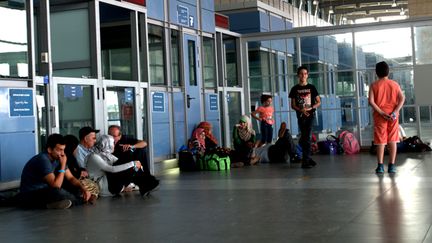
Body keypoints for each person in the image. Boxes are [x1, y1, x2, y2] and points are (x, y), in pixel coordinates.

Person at [16, 134, 91, 209]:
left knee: (77, 188)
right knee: (58, 192)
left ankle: (52, 205)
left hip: (45, 191)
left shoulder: (58, 158)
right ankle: (79, 201)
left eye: (63, 150)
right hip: (31, 194)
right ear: (50, 150)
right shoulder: (43, 159)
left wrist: (83, 188)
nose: (62, 153)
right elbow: (56, 186)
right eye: (59, 150)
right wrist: (63, 165)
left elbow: (71, 178)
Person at [86, 135, 157, 197]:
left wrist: (136, 163)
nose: (114, 144)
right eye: (113, 143)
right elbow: (111, 169)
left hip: (110, 183)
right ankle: (147, 184)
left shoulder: (106, 155)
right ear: (107, 144)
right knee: (130, 164)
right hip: (103, 187)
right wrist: (133, 163)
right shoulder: (94, 156)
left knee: (129, 160)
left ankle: (146, 184)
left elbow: (121, 163)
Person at [369, 61, 405, 174]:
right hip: (393, 117)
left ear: (376, 72)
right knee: (393, 140)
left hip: (380, 117)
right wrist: (395, 112)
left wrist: (381, 113)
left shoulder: (374, 85)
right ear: (388, 72)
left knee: (380, 141)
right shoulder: (395, 84)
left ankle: (380, 166)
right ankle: (391, 165)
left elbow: (371, 101)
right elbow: (402, 99)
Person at [108, 125, 159, 191]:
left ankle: (146, 177)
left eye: (114, 136)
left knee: (141, 150)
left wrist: (132, 146)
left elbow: (144, 143)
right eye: (109, 135)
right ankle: (146, 181)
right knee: (134, 163)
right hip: (115, 169)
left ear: (120, 136)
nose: (111, 138)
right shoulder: (105, 142)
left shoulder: (125, 139)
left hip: (127, 166)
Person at [289, 65, 321, 169]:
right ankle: (307, 158)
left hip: (310, 115)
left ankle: (305, 161)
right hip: (300, 116)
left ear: (307, 75)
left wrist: (310, 108)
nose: (303, 75)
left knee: (306, 137)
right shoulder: (295, 88)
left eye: (305, 74)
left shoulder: (312, 87)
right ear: (298, 75)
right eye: (301, 74)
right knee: (304, 137)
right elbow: (293, 105)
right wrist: (301, 109)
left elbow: (319, 102)